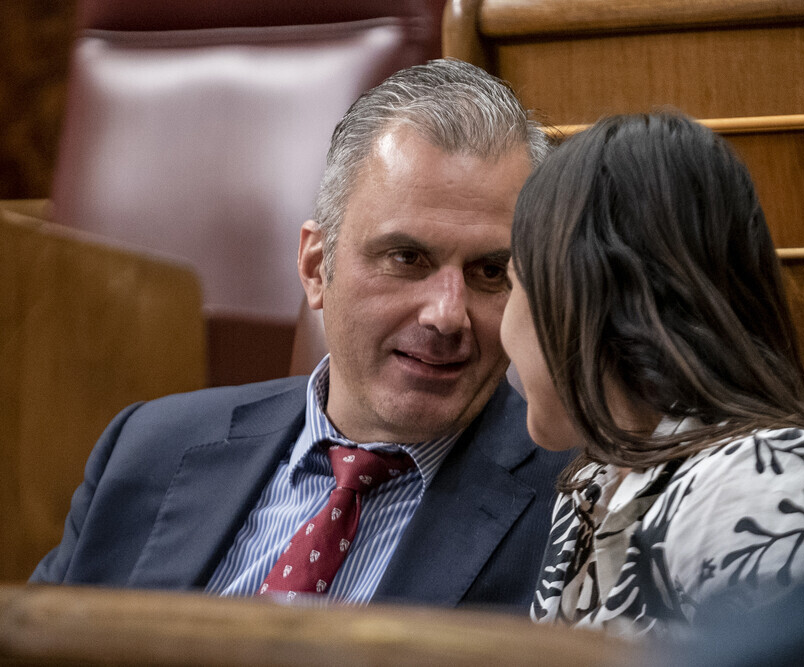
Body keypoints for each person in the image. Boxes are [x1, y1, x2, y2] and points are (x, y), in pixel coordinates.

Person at [32, 59, 571, 610]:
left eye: (489, 273)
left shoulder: (577, 510)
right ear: (317, 267)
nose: (446, 315)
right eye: (407, 258)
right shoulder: (150, 448)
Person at [499, 112, 804, 638]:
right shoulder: (595, 478)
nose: (501, 326)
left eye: (513, 282)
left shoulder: (773, 487)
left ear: (586, 296)